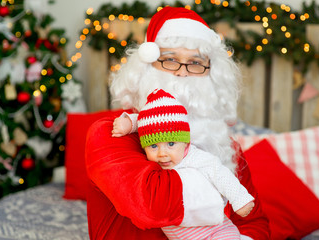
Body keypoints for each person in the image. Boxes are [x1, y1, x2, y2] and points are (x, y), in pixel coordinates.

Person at [85, 6, 270, 240]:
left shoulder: (225, 147)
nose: (183, 73)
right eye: (170, 59)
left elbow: (253, 221)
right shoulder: (109, 133)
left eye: (195, 62)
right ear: (145, 67)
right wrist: (221, 181)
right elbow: (152, 207)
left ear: (211, 74)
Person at [112, 88, 255, 239]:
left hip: (216, 232)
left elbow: (219, 173)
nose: (162, 153)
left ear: (185, 141)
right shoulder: (152, 167)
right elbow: (146, 123)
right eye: (153, 146)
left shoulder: (195, 157)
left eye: (171, 144)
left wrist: (240, 199)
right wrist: (129, 124)